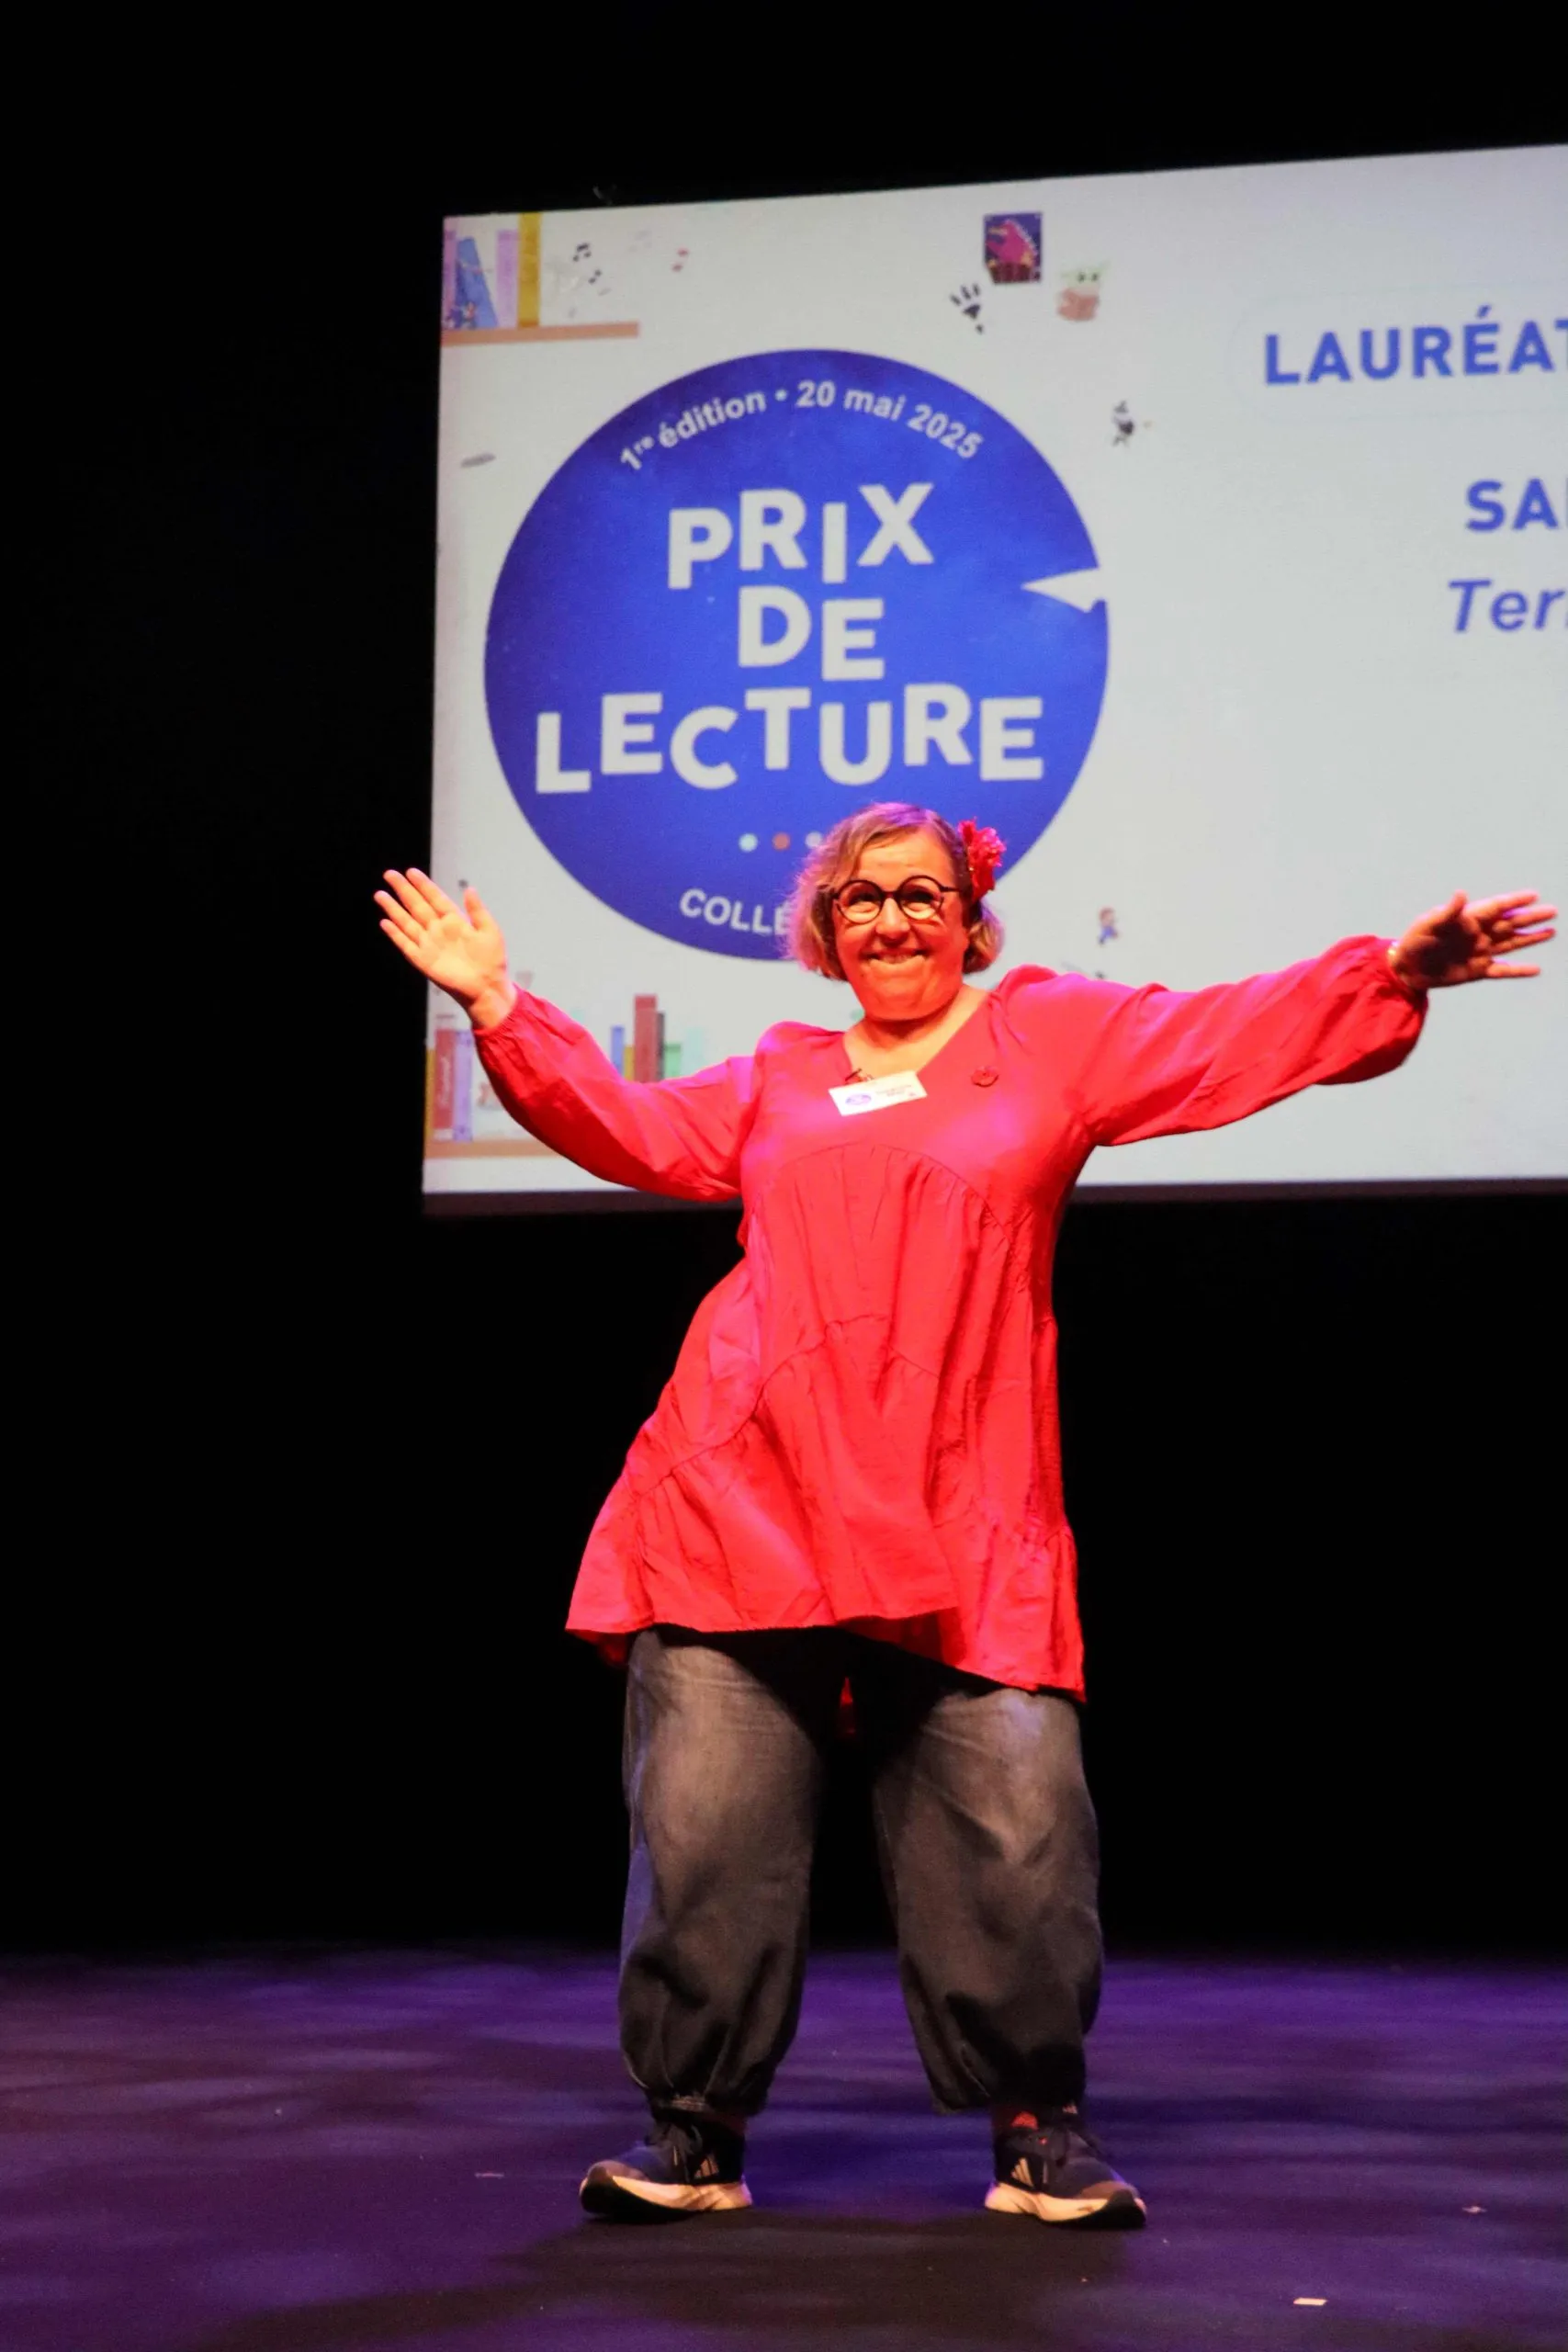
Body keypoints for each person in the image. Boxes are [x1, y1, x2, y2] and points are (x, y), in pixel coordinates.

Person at [376, 805, 1553, 2229]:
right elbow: (629, 1128)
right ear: (824, 932)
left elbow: (1222, 1030)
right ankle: (692, 2133)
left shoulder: (1050, 1038)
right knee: (704, 1840)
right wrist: (502, 1004)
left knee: (1016, 1837)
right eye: (862, 899)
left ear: (969, 916)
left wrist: (1392, 971)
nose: (892, 919)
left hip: (959, 1504)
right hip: (741, 1495)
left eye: (921, 894)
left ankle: (1037, 2132)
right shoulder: (777, 1077)